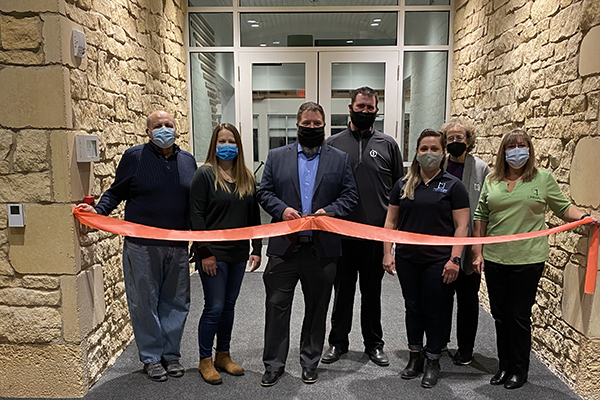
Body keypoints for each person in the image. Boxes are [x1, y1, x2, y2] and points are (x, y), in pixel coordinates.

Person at [472, 129, 600, 390]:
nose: (517, 150)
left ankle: (519, 369)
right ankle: (504, 366)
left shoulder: (542, 179)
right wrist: (477, 252)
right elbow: (480, 216)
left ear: (529, 150)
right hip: (496, 258)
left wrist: (585, 217)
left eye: (522, 145)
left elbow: (563, 208)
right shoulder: (492, 180)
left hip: (528, 259)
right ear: (503, 151)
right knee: (499, 315)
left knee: (517, 315)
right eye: (511, 146)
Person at [77, 110, 197, 382]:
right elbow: (117, 192)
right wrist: (97, 212)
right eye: (158, 126)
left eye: (168, 125)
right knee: (144, 300)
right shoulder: (135, 157)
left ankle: (171, 354)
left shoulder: (188, 161)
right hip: (141, 246)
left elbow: (194, 202)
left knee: (177, 301)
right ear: (148, 132)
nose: (164, 129)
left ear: (176, 130)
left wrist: (200, 240)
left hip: (177, 244)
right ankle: (152, 357)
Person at [257, 101, 358, 387]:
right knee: (277, 306)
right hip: (284, 248)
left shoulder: (338, 159)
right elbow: (264, 192)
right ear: (297, 124)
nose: (311, 128)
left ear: (324, 126)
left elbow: (350, 196)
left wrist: (330, 212)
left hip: (322, 249)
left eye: (317, 124)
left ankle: (310, 360)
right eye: (306, 123)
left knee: (317, 308)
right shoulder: (277, 157)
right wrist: (282, 210)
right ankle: (274, 364)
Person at [382, 129, 470, 388]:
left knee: (434, 309)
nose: (429, 154)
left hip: (438, 260)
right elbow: (391, 221)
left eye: (434, 149)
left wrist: (454, 259)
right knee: (413, 307)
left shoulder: (454, 186)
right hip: (408, 258)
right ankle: (415, 356)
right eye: (424, 149)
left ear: (442, 153)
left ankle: (433, 359)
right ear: (416, 153)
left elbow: (461, 226)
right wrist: (387, 251)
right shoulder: (402, 184)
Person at [323, 86, 403, 367]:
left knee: (372, 294)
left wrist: (391, 240)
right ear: (350, 108)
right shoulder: (332, 143)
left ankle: (374, 345)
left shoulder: (388, 145)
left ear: (376, 110)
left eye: (370, 108)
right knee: (342, 293)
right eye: (361, 107)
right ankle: (338, 343)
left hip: (375, 236)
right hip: (341, 235)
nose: (365, 111)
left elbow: (398, 191)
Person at [190, 123, 262, 385]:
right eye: (221, 141)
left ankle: (223, 355)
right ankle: (204, 360)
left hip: (238, 253)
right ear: (214, 145)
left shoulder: (246, 177)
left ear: (239, 145)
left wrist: (256, 248)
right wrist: (204, 252)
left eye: (231, 141)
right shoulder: (205, 175)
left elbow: (253, 216)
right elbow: (196, 216)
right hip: (213, 254)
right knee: (214, 306)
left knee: (229, 307)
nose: (226, 146)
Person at [440, 118, 490, 365]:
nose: (455, 142)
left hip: (470, 245)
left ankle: (466, 348)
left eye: (460, 138)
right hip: (442, 244)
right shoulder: (440, 165)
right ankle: (439, 342)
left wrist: (478, 247)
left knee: (468, 299)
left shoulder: (481, 168)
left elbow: (484, 208)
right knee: (441, 296)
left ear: (469, 141)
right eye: (450, 138)